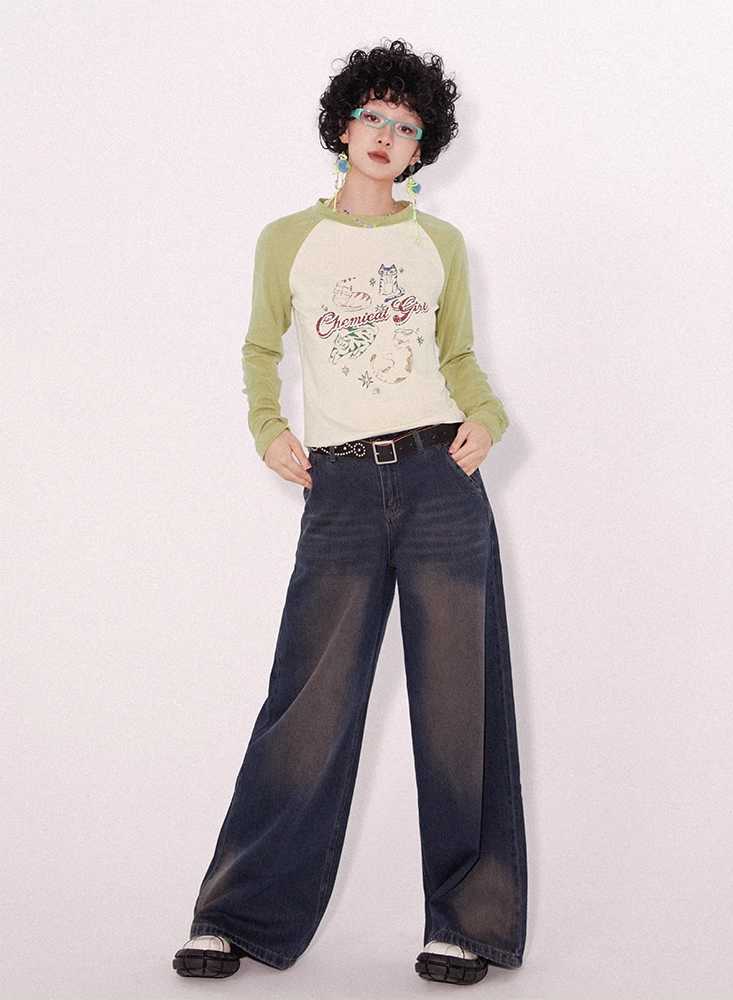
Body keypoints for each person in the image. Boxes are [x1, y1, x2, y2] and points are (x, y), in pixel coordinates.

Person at [173, 38, 527, 987]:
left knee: (459, 703)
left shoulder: (438, 245)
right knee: (309, 701)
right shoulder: (288, 240)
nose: (386, 134)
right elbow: (260, 350)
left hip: (439, 482)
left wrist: (488, 418)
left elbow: (458, 358)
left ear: (421, 149)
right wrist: (267, 427)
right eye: (373, 115)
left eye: (406, 126)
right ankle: (236, 914)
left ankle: (467, 925)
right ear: (342, 127)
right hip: (337, 490)